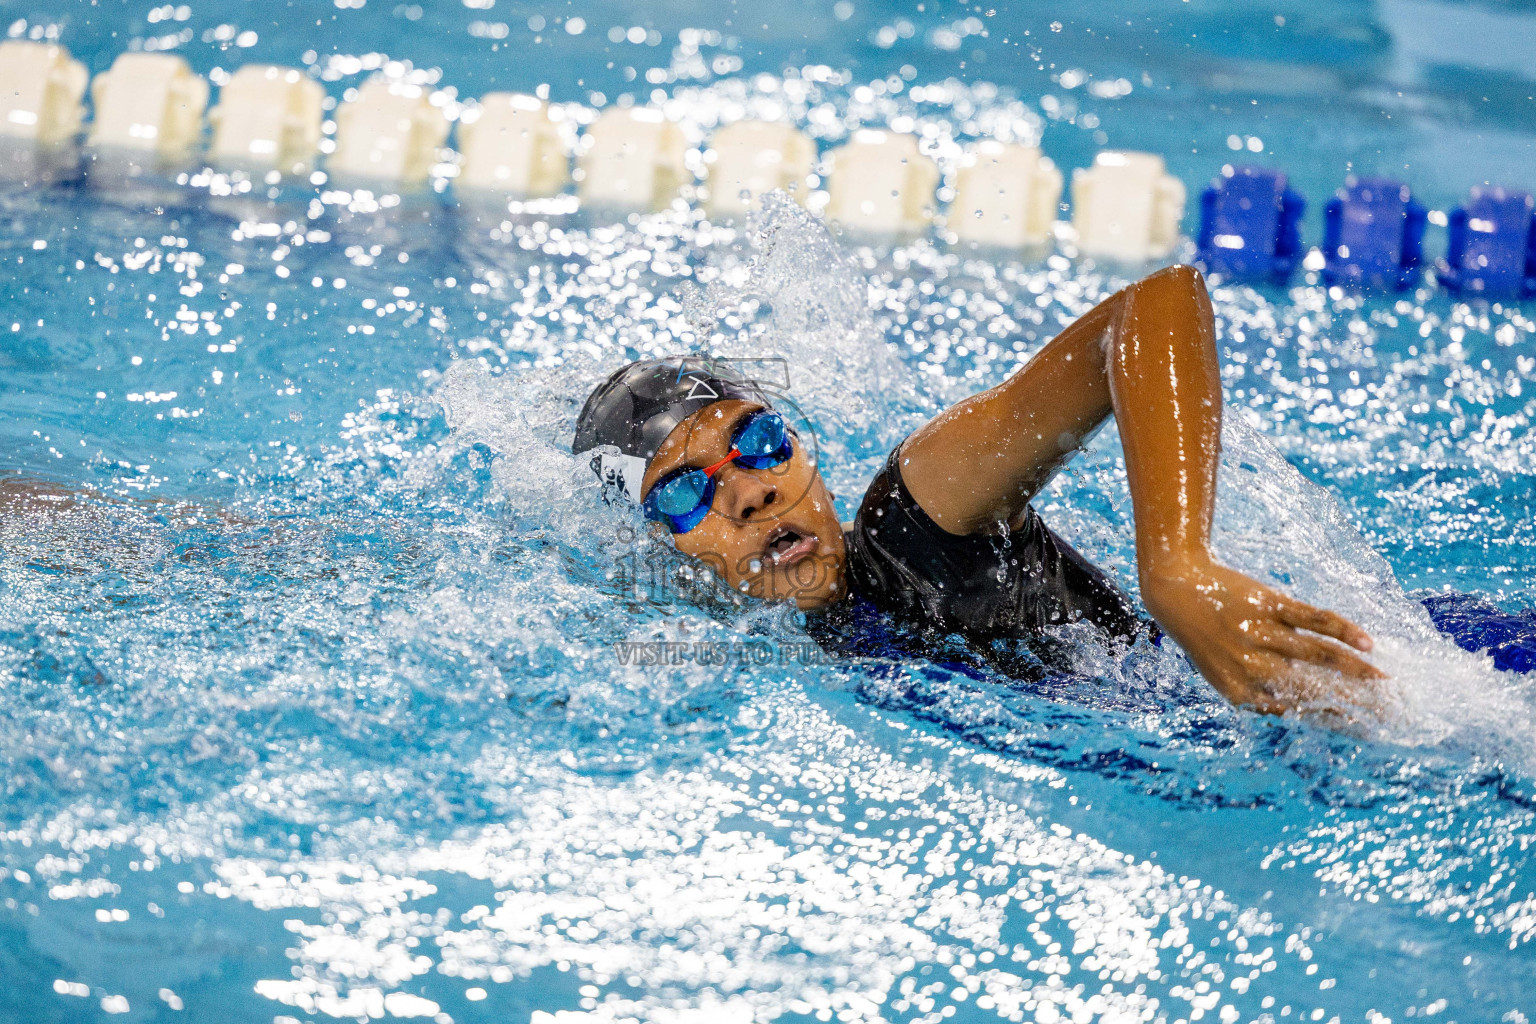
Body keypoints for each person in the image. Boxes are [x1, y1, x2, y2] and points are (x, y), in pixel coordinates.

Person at [574, 264, 1388, 715]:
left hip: (1374, 665)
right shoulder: (741, 659)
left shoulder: (917, 518)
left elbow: (1155, 303)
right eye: (683, 494)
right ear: (659, 555)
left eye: (757, 442)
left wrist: (1176, 564)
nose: (750, 494)